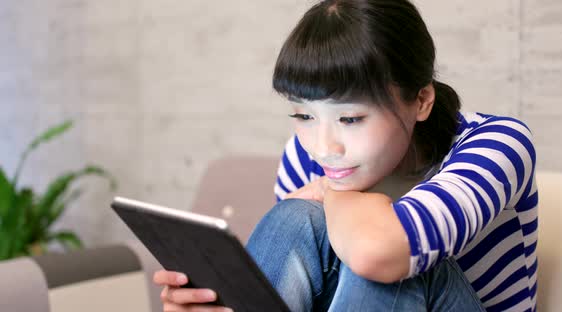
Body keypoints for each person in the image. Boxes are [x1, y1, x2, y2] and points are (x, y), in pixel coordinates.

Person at [153, 0, 538, 311]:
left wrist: (329, 190)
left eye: (351, 118)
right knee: (294, 218)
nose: (323, 147)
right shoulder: (301, 155)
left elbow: (377, 253)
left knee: (382, 252)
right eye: (304, 115)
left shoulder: (496, 143)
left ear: (421, 100)